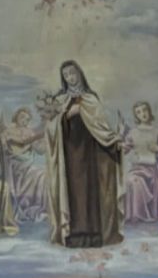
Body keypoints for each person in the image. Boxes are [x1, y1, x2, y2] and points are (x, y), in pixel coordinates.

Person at [42, 60, 123, 248]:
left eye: (73, 73)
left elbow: (101, 127)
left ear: (79, 73)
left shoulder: (91, 98)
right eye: (66, 75)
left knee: (90, 194)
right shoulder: (59, 100)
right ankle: (72, 235)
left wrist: (112, 141)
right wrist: (66, 115)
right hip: (69, 157)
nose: (70, 77)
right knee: (72, 195)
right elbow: (51, 128)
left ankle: (94, 236)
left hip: (89, 156)